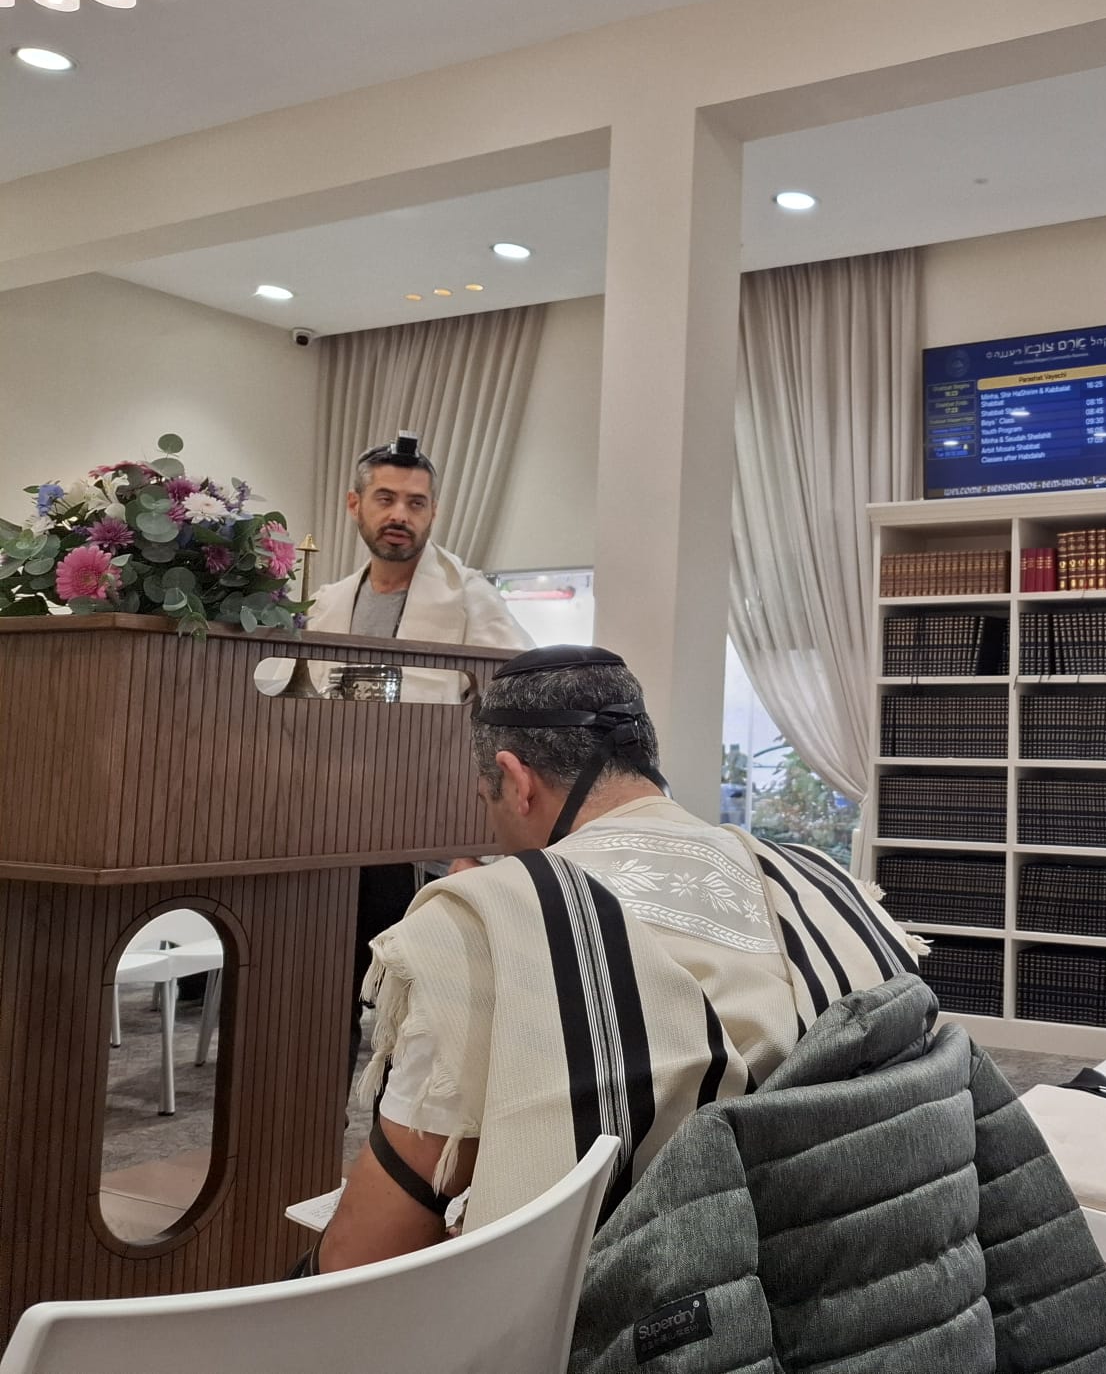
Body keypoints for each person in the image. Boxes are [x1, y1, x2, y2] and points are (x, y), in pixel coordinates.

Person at [310, 644, 919, 1273]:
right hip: (889, 1271)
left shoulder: (489, 921)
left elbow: (372, 1254)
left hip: (654, 1303)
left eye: (487, 802)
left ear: (515, 781)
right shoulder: (827, 885)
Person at [300, 433, 535, 1075]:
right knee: (324, 991)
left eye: (416, 502)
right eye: (386, 499)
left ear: (433, 513)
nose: (400, 514)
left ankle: (397, 1127)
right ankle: (318, 1117)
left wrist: (472, 840)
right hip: (334, 829)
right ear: (355, 505)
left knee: (414, 1016)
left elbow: (512, 708)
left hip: (423, 836)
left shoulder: (469, 598)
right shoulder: (328, 602)